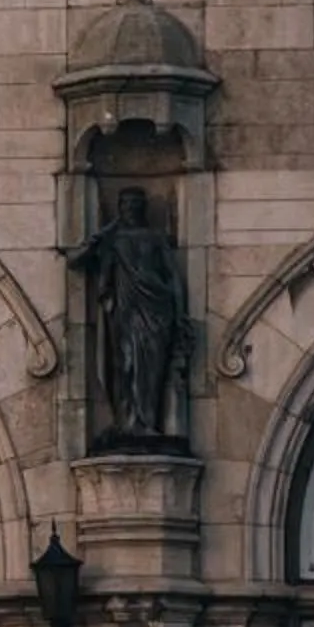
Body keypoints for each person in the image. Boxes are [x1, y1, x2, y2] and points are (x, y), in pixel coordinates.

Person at [67, 186, 187, 446]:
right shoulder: (113, 240)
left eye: (136, 204)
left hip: (156, 310)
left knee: (152, 370)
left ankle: (148, 424)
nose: (131, 209)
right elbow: (75, 261)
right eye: (126, 204)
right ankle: (128, 422)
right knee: (126, 366)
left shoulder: (155, 238)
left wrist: (178, 314)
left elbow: (173, 277)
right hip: (124, 312)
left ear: (143, 207)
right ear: (120, 209)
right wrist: (102, 234)